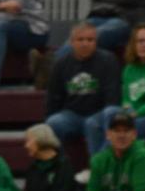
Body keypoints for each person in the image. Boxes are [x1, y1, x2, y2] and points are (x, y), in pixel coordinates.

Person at [84, 22, 145, 154]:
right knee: (92, 122)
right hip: (132, 114)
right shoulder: (129, 69)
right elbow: (126, 99)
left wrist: (137, 113)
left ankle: (101, 168)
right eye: (140, 41)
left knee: (119, 125)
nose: (144, 45)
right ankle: (101, 165)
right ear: (133, 45)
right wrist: (128, 110)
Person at [44, 22, 123, 151]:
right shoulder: (61, 64)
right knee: (53, 123)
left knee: (93, 123)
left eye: (90, 40)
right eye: (80, 39)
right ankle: (60, 166)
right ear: (72, 42)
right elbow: (54, 96)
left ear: (96, 42)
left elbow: (113, 97)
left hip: (98, 114)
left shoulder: (108, 60)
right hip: (72, 115)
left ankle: (98, 167)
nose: (85, 43)